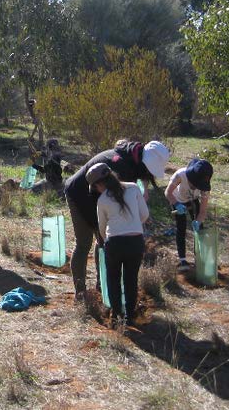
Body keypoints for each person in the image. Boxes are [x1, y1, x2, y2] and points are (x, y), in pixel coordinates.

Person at [64, 139, 170, 299]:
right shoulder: (122, 167)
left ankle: (102, 286)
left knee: (103, 240)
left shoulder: (133, 159)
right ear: (145, 164)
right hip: (79, 194)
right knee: (84, 243)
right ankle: (80, 293)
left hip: (98, 197)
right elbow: (118, 205)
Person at [86, 162, 148, 325]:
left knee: (113, 279)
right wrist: (132, 226)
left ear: (99, 184)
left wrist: (107, 239)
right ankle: (130, 316)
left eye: (95, 187)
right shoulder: (134, 188)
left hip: (114, 243)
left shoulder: (103, 199)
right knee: (131, 279)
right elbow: (145, 215)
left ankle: (116, 316)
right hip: (136, 241)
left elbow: (101, 227)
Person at [165, 158, 213, 271]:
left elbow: (202, 211)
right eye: (194, 184)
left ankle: (201, 258)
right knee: (181, 227)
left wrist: (198, 221)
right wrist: (176, 204)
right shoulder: (180, 175)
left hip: (193, 200)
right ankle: (182, 260)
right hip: (177, 199)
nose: (195, 187)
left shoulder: (205, 188)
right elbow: (168, 192)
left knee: (200, 229)